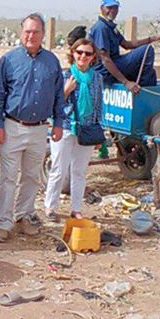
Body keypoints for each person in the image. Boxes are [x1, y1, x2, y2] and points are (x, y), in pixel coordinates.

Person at [0, 13, 65, 242]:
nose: (31, 36)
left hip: (39, 129)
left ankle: (24, 215)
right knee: (8, 178)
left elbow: (58, 95)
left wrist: (59, 123)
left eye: (36, 32)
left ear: (43, 34)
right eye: (27, 31)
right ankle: (3, 222)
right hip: (13, 127)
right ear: (21, 33)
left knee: (32, 176)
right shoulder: (8, 61)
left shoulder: (52, 62)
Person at [43, 38, 104, 220]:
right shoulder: (63, 76)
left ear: (93, 57)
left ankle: (76, 208)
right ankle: (50, 207)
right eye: (79, 52)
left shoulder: (97, 78)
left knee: (79, 171)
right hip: (66, 126)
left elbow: (98, 105)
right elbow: (52, 103)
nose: (83, 56)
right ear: (73, 54)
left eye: (87, 53)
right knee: (59, 169)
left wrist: (99, 131)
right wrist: (66, 91)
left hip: (86, 128)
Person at [90, 0, 160, 94]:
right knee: (148, 50)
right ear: (101, 8)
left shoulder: (109, 26)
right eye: (109, 8)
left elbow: (127, 45)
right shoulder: (101, 28)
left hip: (114, 64)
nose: (113, 11)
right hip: (105, 72)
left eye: (115, 8)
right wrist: (126, 82)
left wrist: (153, 38)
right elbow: (105, 60)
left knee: (151, 73)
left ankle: (146, 88)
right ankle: (145, 92)